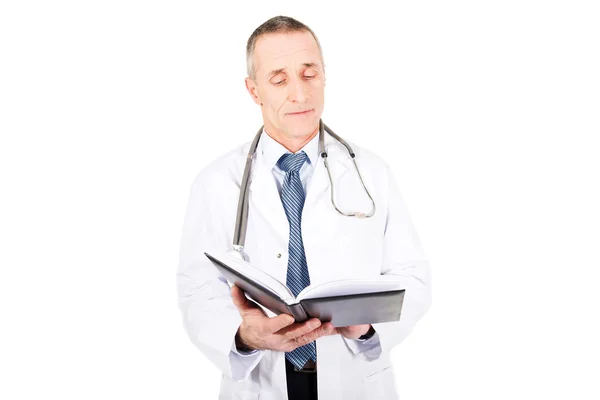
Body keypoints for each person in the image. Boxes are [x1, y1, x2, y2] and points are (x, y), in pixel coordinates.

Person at [176, 15, 431, 400]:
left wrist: (367, 328)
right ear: (254, 90)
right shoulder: (215, 183)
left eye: (309, 74)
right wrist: (244, 335)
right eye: (279, 79)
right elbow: (197, 289)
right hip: (261, 379)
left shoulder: (371, 172)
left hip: (352, 378)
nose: (299, 94)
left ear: (325, 76)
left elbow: (413, 277)